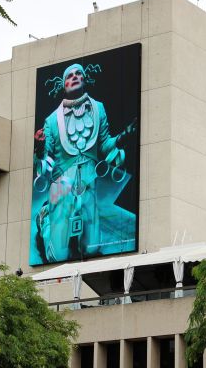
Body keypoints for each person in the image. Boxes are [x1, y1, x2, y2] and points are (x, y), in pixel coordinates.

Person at [32, 63, 136, 263]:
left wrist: (125, 135)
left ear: (85, 78)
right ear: (63, 85)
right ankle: (46, 220)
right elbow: (47, 160)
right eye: (69, 75)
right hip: (61, 184)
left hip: (89, 181)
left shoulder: (98, 108)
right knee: (57, 256)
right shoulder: (52, 120)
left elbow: (105, 146)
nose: (75, 76)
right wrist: (39, 146)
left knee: (90, 249)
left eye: (79, 73)